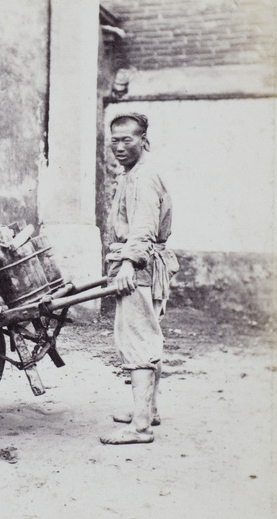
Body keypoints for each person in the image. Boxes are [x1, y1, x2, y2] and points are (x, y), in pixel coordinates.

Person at [100, 112, 179, 445]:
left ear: (143, 140)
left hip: (140, 267)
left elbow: (144, 227)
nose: (119, 147)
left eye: (127, 140)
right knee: (148, 334)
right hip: (141, 264)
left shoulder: (143, 177)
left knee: (138, 339)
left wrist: (130, 265)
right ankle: (150, 411)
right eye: (114, 140)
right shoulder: (131, 173)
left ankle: (141, 427)